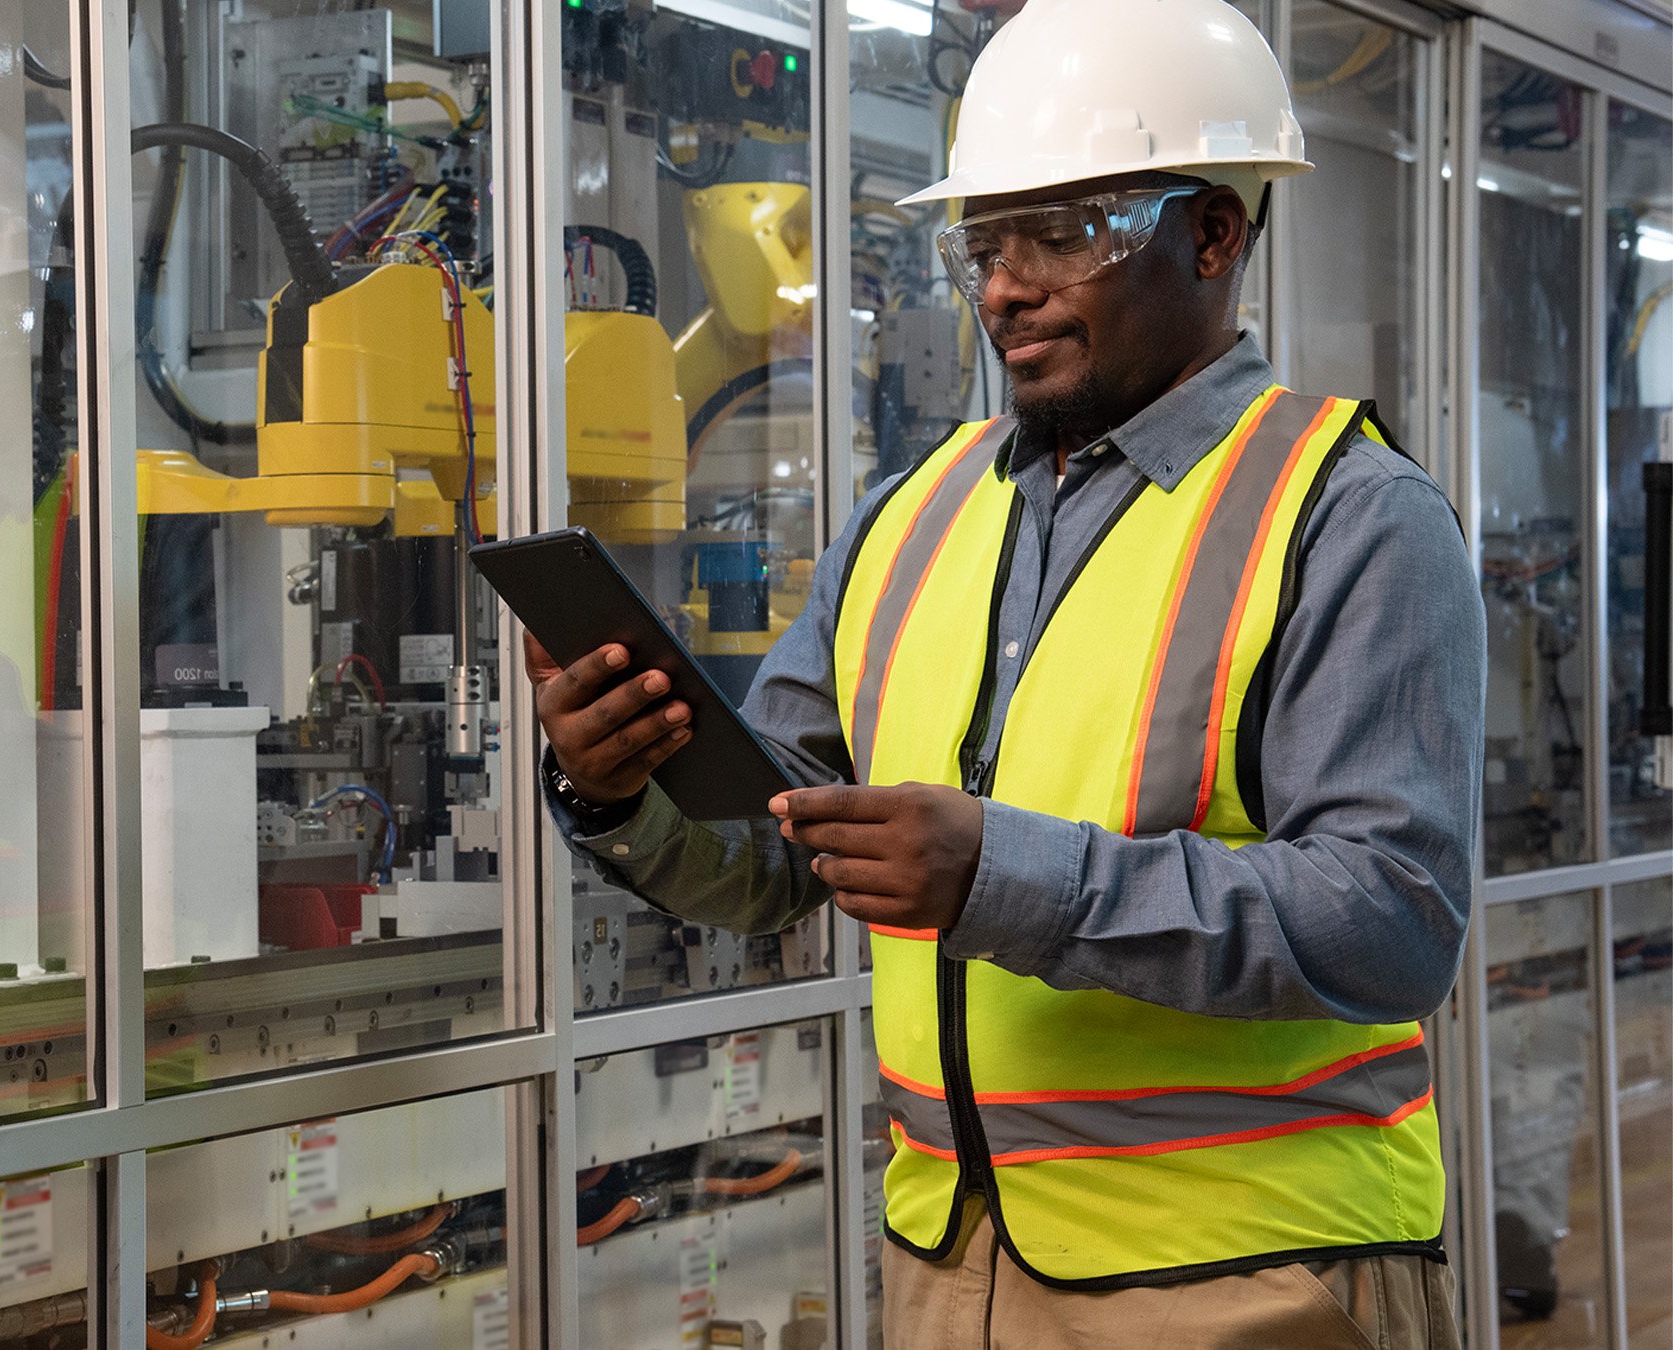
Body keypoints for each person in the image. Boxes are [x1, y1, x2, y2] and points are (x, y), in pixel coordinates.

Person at [528, 1, 1481, 1344]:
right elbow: (775, 849)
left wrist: (1001, 878)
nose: (1003, 287)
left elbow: (1393, 916)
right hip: (950, 1266)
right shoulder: (909, 518)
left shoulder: (1350, 512)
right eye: (984, 241)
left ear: (1212, 234)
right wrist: (621, 780)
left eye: (1065, 233)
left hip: (1252, 1275)